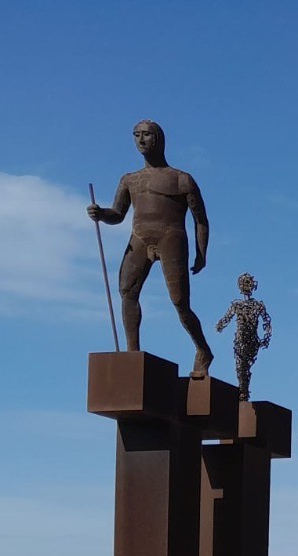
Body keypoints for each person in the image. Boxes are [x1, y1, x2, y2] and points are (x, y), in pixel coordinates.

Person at [87, 120, 213, 377]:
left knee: (180, 302)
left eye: (146, 135)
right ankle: (132, 353)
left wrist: (202, 253)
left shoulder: (181, 179)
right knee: (127, 292)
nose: (140, 140)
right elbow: (118, 214)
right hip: (139, 238)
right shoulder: (130, 180)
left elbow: (200, 220)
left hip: (171, 238)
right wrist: (101, 213)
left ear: (158, 139)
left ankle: (203, 349)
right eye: (136, 135)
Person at [216, 273, 273, 401]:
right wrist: (220, 325)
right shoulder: (237, 305)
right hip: (240, 340)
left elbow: (267, 322)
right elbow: (227, 318)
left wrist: (266, 338)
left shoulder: (257, 306)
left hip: (252, 341)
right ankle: (243, 391)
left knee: (244, 366)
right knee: (241, 366)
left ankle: (244, 390)